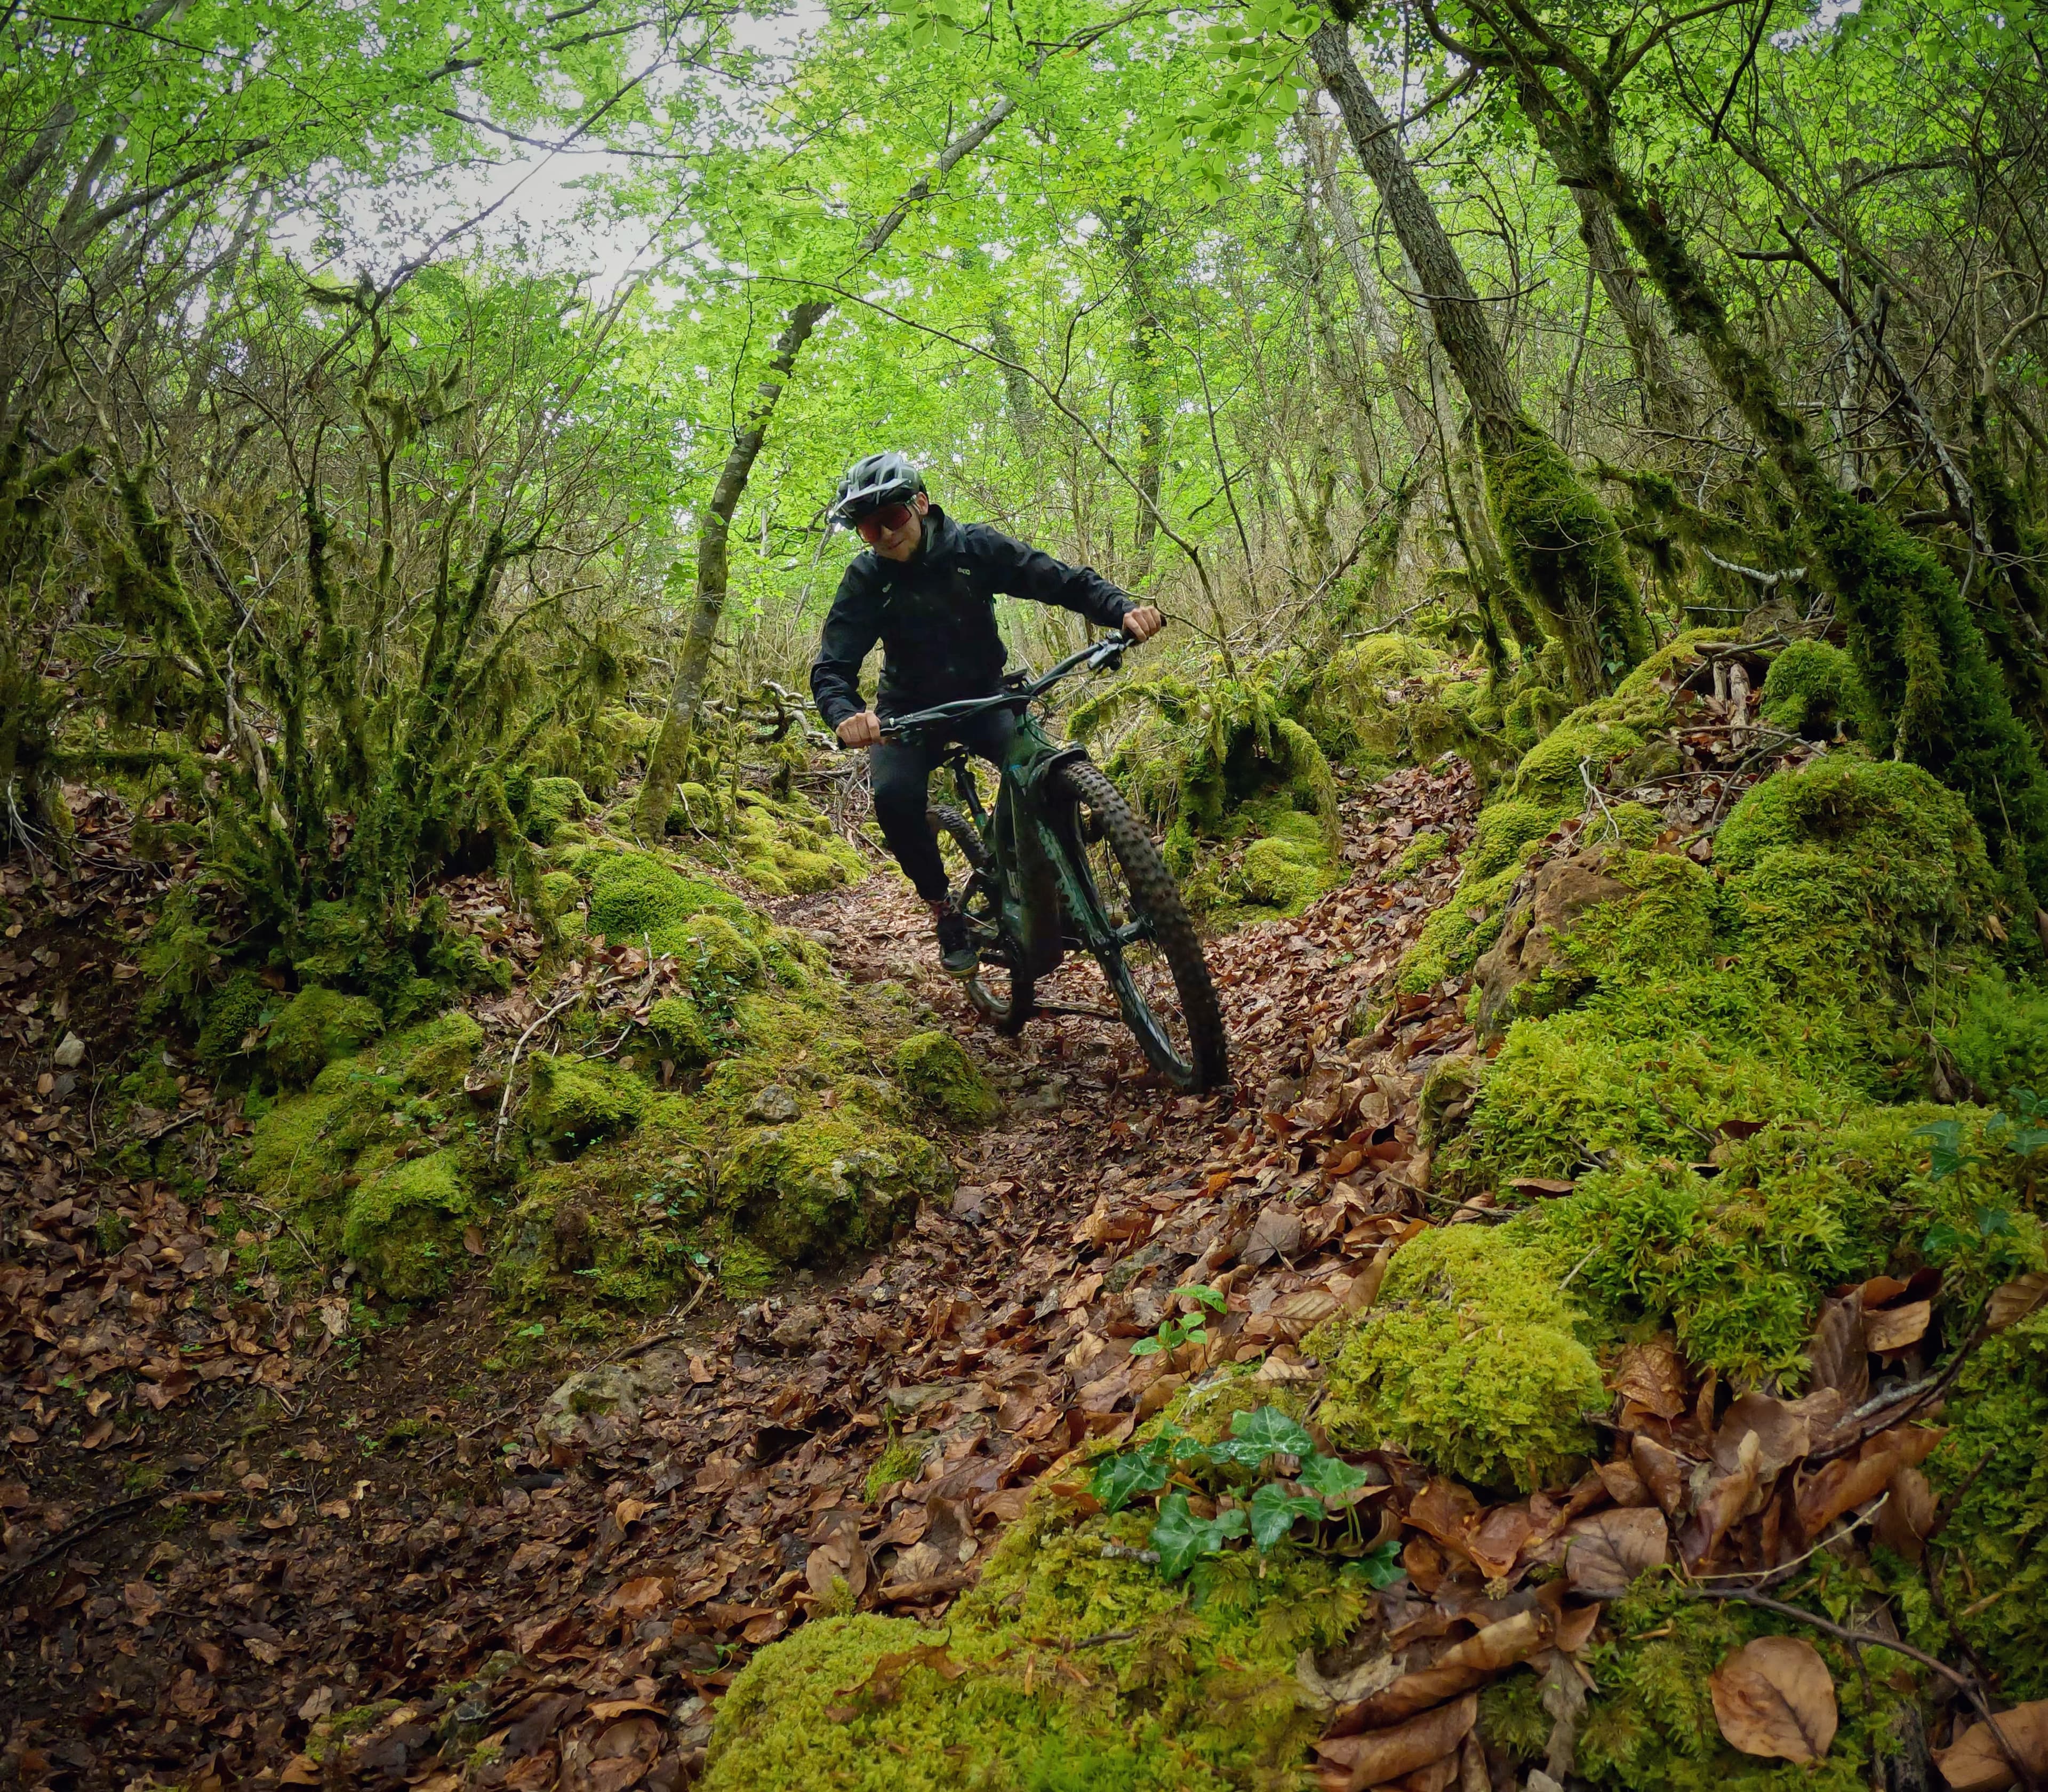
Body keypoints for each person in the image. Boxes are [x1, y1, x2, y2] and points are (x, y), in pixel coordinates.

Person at [810, 451, 1163, 972]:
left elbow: (1058, 579)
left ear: (922, 505)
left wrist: (1120, 609)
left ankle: (1067, 891)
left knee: (1046, 771)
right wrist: (846, 714)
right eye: (869, 528)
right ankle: (944, 907)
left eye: (894, 518)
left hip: (988, 696)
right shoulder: (867, 580)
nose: (885, 535)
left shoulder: (973, 548)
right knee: (894, 797)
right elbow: (833, 665)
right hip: (909, 715)